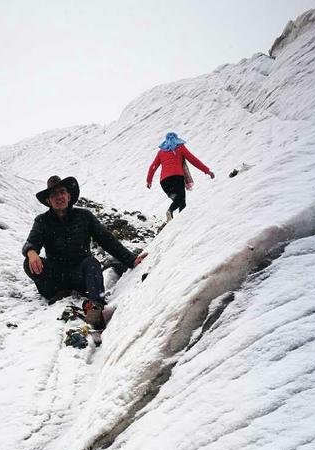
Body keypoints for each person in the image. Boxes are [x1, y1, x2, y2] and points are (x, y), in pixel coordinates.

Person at [23, 175, 147, 329]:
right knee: (28, 263)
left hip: (80, 274)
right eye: (53, 194)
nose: (59, 197)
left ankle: (96, 308)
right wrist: (31, 252)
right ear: (49, 200)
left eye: (62, 192)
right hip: (56, 277)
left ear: (69, 195)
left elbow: (107, 240)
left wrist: (131, 259)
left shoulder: (84, 216)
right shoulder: (42, 220)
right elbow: (31, 242)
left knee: (92, 263)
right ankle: (57, 293)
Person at [146, 132, 215, 221]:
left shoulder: (161, 152)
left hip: (164, 182)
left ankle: (177, 221)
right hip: (177, 178)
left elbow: (153, 167)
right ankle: (172, 213)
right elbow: (193, 160)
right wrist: (207, 171)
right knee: (181, 201)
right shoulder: (180, 148)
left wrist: (149, 181)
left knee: (178, 200)